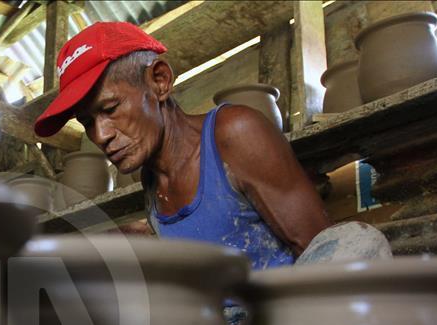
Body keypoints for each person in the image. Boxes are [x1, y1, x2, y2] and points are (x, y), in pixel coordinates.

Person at [34, 22, 331, 270]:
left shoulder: (234, 134)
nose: (100, 135)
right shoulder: (151, 178)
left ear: (160, 81)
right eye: (87, 122)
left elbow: (328, 257)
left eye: (111, 108)